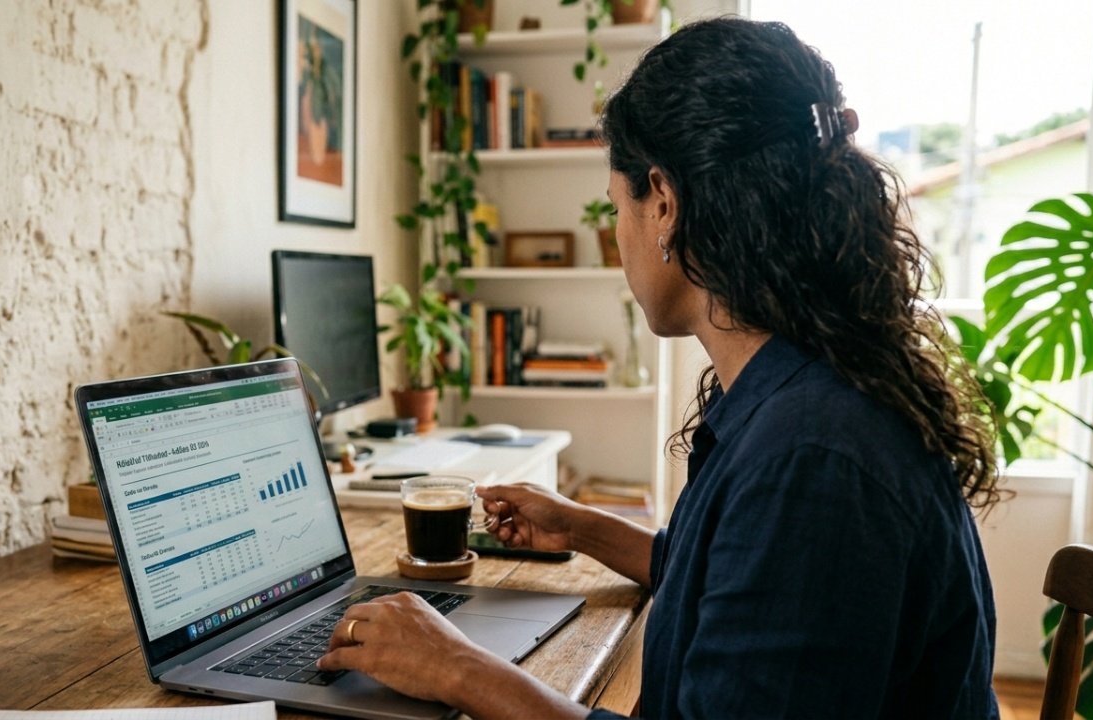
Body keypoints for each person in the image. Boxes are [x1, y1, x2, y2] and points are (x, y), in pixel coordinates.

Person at [318, 16, 1000, 719]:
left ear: (664, 204)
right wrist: (582, 529)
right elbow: (737, 582)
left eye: (617, 207)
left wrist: (458, 668)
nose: (619, 235)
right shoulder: (801, 389)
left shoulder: (812, 457)